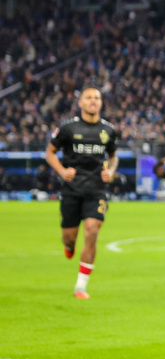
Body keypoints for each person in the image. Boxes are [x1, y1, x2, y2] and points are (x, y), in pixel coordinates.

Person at [45, 87, 119, 299]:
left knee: (92, 230)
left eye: (97, 97)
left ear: (101, 103)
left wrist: (111, 171)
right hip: (71, 190)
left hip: (97, 189)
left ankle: (81, 286)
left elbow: (113, 156)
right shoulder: (68, 128)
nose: (93, 101)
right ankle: (69, 246)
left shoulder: (108, 130)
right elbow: (50, 153)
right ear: (80, 103)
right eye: (89, 97)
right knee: (69, 237)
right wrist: (61, 171)